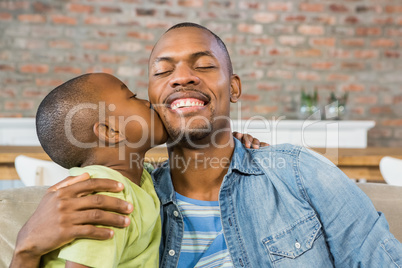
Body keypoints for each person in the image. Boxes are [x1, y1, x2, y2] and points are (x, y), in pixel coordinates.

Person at [11, 22, 402, 267]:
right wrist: (25, 251)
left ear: (233, 88)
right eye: (163, 70)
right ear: (151, 96)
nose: (181, 77)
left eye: (203, 65)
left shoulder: (298, 173)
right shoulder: (121, 196)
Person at [35, 72, 167, 267]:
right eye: (133, 97)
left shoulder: (139, 178)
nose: (148, 103)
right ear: (110, 132)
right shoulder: (106, 193)